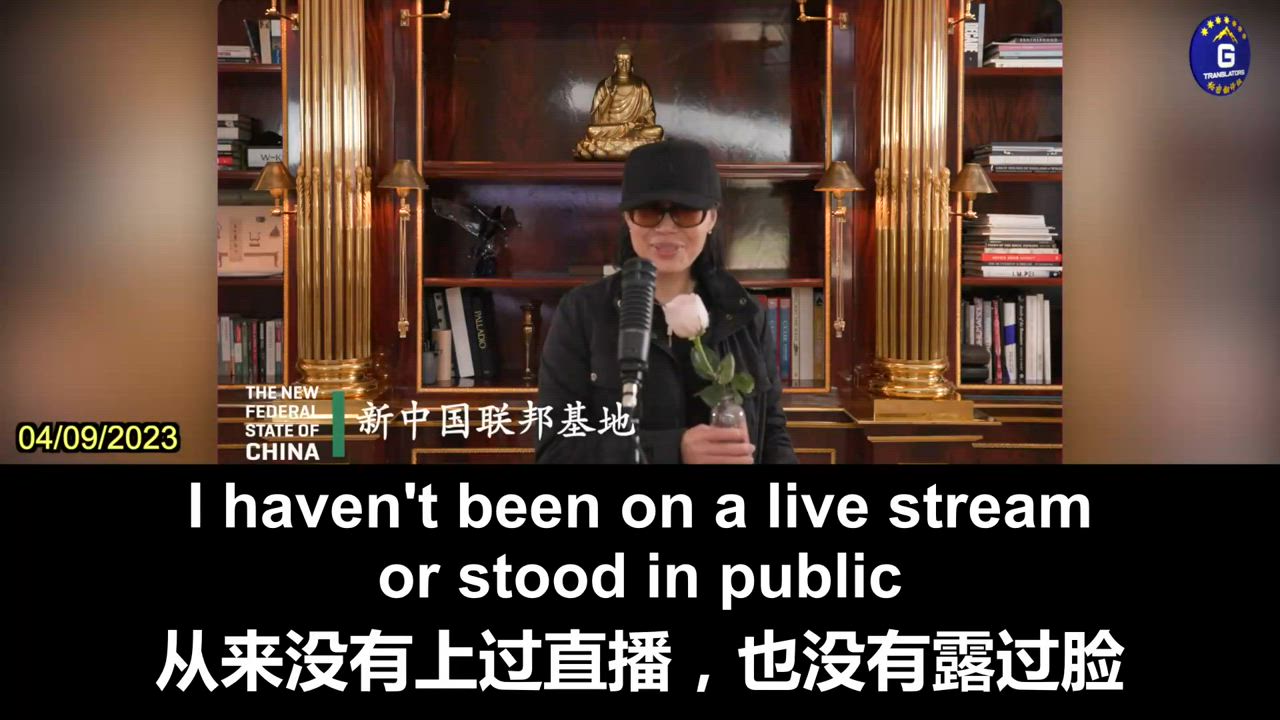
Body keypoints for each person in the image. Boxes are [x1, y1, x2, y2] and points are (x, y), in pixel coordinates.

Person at [536, 138, 798, 464]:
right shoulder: (582, 312)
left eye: (685, 212)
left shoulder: (745, 312)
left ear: (711, 218)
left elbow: (773, 433)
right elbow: (555, 451)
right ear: (628, 218)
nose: (665, 228)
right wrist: (674, 449)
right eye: (649, 212)